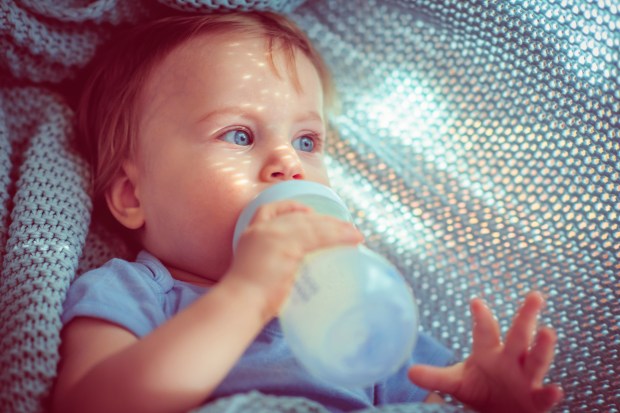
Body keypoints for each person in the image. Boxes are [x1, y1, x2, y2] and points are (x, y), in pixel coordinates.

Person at [52, 11, 563, 413]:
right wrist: (246, 295)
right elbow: (92, 404)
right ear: (131, 196)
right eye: (239, 135)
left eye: (307, 140)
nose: (288, 162)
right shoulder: (132, 294)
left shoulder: (358, 304)